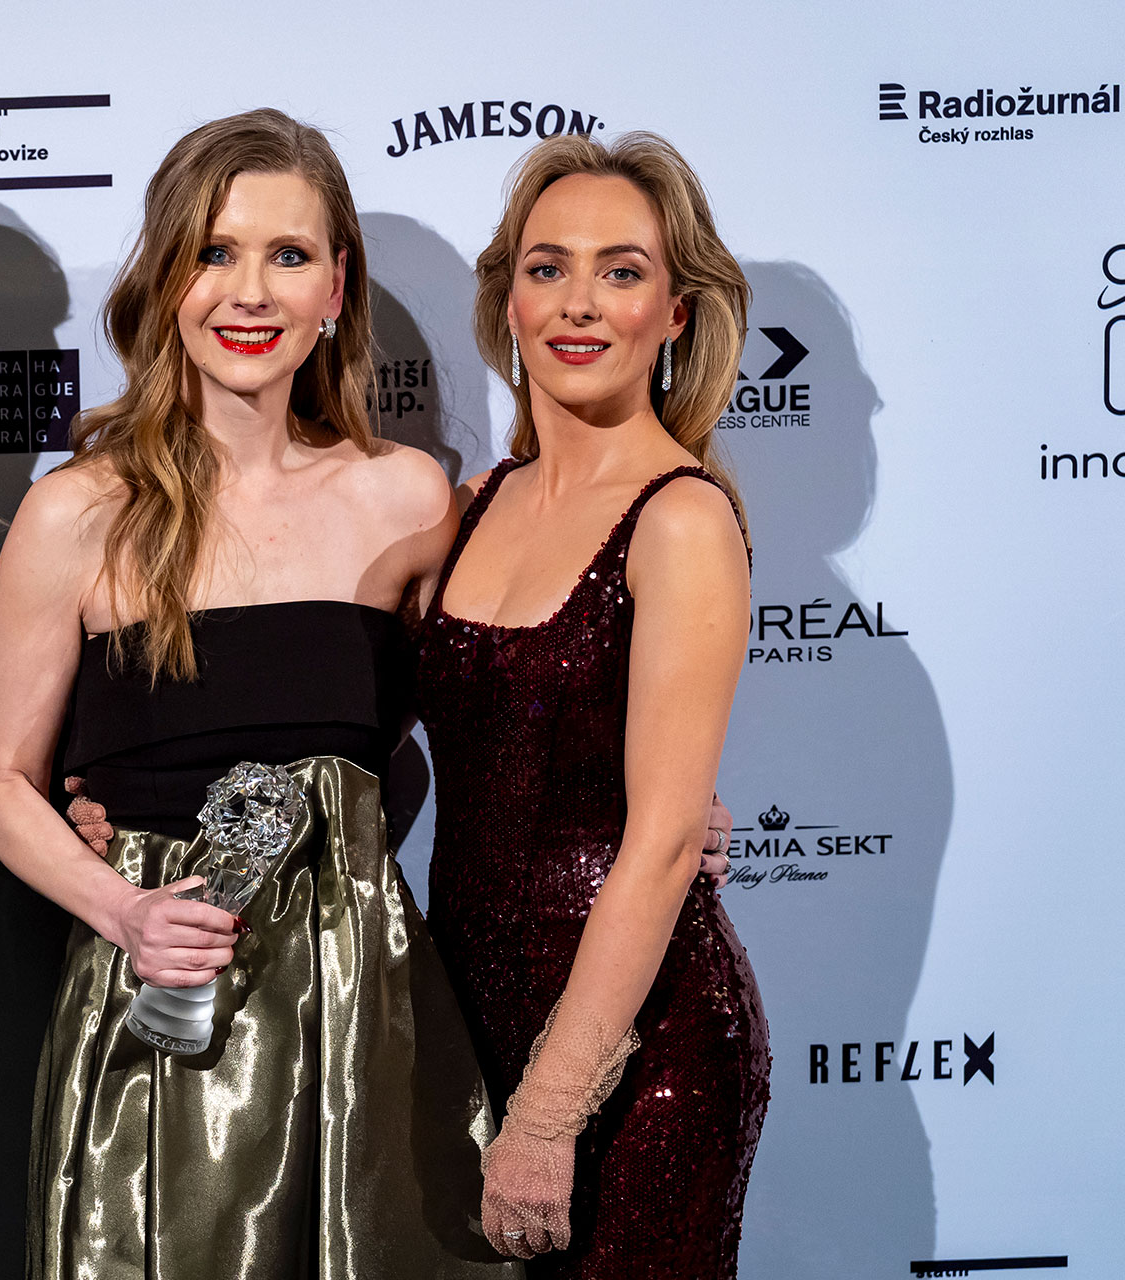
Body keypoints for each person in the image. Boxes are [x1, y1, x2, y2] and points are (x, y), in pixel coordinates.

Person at [0, 110, 516, 1278]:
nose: (250, 292)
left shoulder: (409, 498)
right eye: (214, 252)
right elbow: (3, 781)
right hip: (166, 1003)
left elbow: (492, 726)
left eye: (289, 254)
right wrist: (123, 909)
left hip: (362, 1008)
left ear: (336, 287)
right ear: (167, 279)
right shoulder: (78, 512)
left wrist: (652, 807)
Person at [417, 132, 770, 1276]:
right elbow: (351, 727)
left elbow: (662, 844)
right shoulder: (472, 503)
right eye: (547, 266)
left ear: (674, 314)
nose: (579, 302)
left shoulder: (682, 518)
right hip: (468, 1032)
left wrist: (546, 1113)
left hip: (641, 1056)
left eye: (622, 271)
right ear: (509, 302)